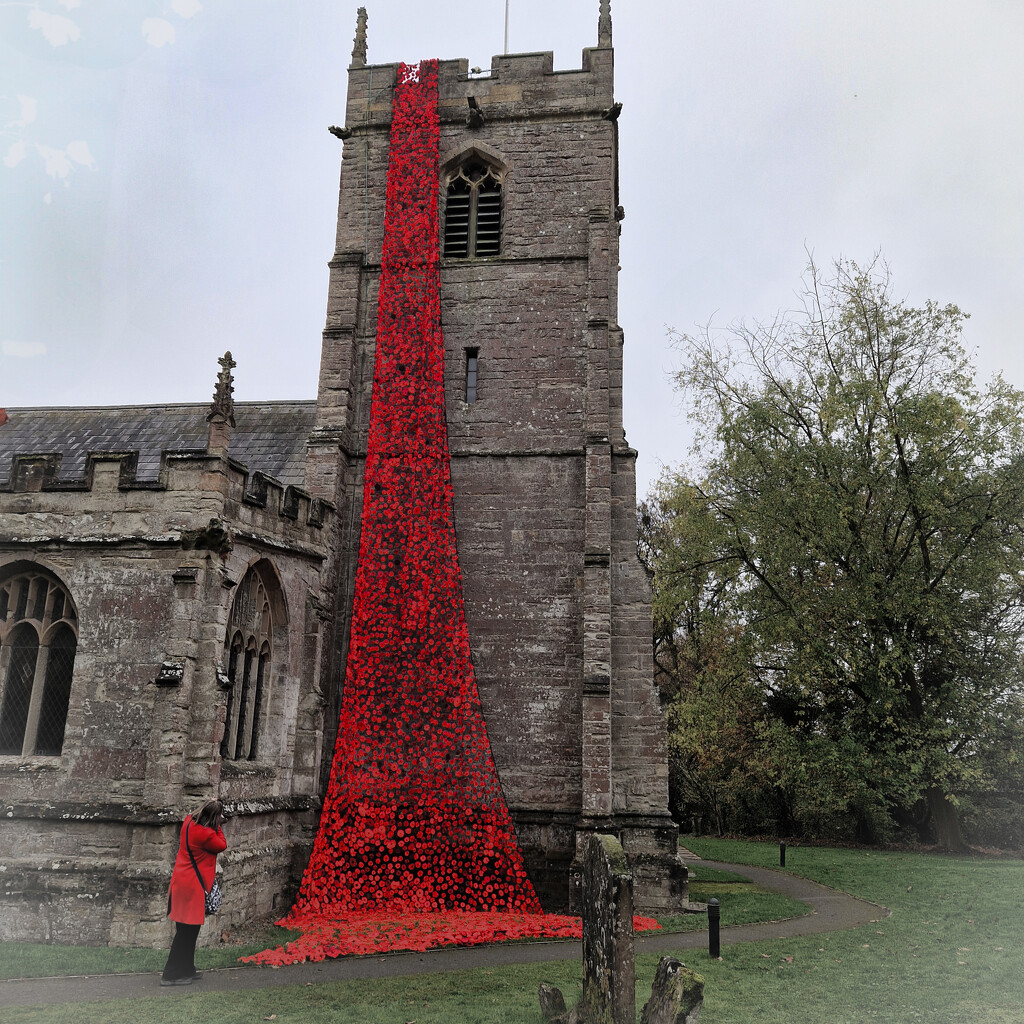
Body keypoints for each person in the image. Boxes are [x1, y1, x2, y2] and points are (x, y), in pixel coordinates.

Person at [161, 799, 227, 986]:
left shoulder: (188, 822)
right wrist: (218, 826)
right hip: (193, 887)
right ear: (215, 818)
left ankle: (186, 968)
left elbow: (194, 815)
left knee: (187, 930)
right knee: (186, 933)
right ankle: (171, 974)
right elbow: (222, 844)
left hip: (181, 882)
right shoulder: (206, 834)